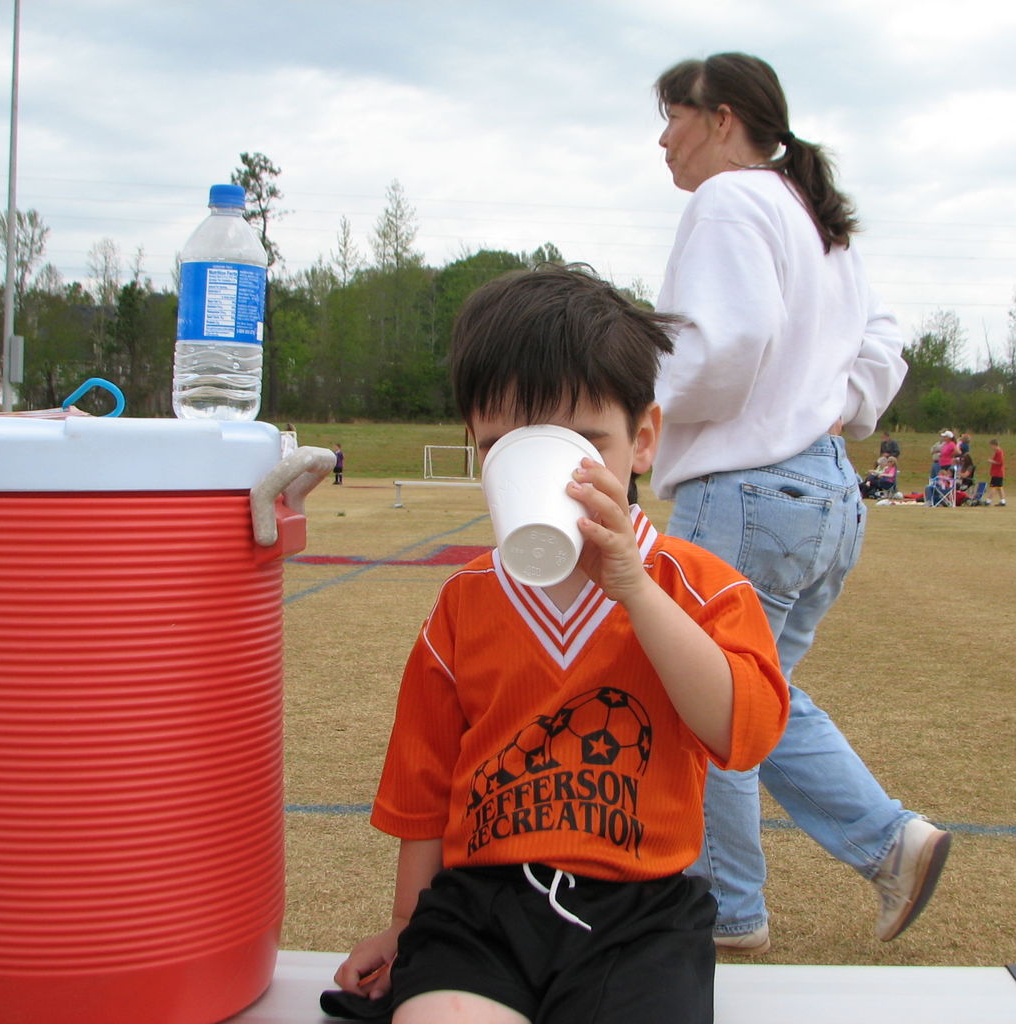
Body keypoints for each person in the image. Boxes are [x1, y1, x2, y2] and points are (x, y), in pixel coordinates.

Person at [328, 266, 790, 1023]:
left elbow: (742, 734)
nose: (546, 467)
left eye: (581, 440)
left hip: (642, 912)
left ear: (641, 441)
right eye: (504, 444)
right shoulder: (463, 604)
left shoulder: (698, 587)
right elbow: (424, 789)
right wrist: (411, 927)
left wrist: (634, 589)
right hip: (480, 907)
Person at [651, 51, 949, 951]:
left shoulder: (730, 200)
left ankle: (726, 915)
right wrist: (833, 408)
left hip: (743, 486)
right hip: (824, 489)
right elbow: (885, 345)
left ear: (724, 118)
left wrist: (643, 413)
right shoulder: (821, 224)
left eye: (674, 116)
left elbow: (723, 340)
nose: (663, 139)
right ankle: (891, 843)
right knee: (756, 694)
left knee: (714, 705)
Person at [987, 438, 1006, 505]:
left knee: (993, 487)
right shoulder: (998, 452)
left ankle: (988, 501)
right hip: (997, 473)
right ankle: (1003, 501)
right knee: (999, 487)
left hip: (997, 473)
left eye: (991, 446)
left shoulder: (999, 452)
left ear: (994, 445)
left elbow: (1000, 462)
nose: (991, 448)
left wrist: (991, 461)